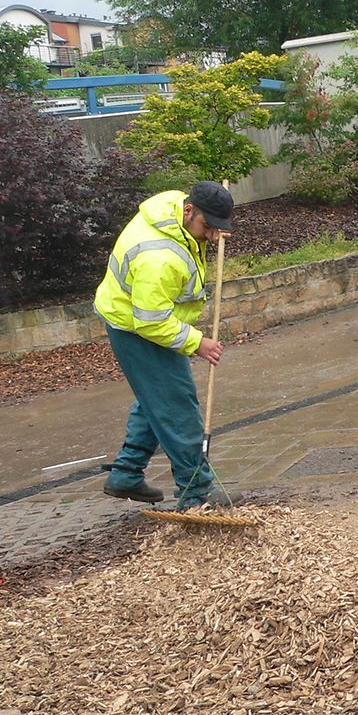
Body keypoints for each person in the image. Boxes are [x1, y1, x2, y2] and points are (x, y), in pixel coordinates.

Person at [95, 181, 239, 510]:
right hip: (138, 327)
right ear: (189, 212)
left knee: (156, 398)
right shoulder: (157, 257)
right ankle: (196, 493)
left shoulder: (177, 210)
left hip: (146, 319)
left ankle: (126, 473)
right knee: (176, 405)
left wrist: (211, 224)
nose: (214, 237)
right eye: (209, 228)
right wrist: (196, 342)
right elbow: (150, 322)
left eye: (220, 229)